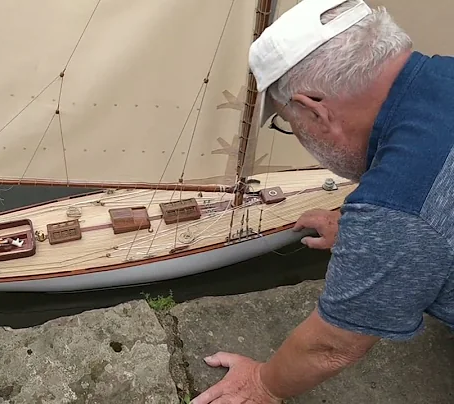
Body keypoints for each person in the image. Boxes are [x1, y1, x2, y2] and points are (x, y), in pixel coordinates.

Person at [192, 0, 454, 402]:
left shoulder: (394, 211)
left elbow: (332, 346)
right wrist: (361, 235)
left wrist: (263, 383)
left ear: (314, 111)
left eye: (287, 123)